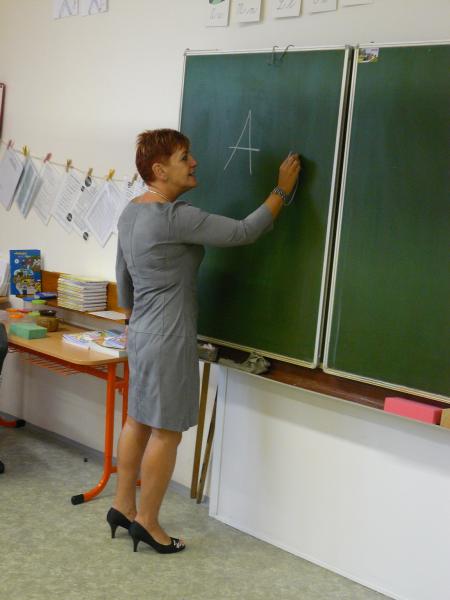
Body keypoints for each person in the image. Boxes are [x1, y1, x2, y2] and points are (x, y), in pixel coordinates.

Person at [110, 128, 301, 554]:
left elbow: (122, 276)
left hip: (140, 331)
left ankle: (123, 506)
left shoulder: (130, 213)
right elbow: (244, 231)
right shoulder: (174, 217)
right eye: (184, 157)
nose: (194, 162)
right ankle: (148, 522)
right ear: (160, 170)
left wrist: (134, 318)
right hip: (169, 335)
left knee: (137, 420)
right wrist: (281, 191)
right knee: (167, 432)